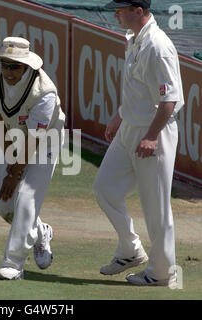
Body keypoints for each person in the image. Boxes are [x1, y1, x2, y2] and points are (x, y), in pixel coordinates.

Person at [93, 0, 184, 286]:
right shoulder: (134, 40)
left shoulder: (158, 46)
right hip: (129, 128)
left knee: (156, 208)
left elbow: (170, 100)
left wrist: (151, 136)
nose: (115, 13)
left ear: (139, 10)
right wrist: (119, 116)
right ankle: (131, 250)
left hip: (153, 132)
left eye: (120, 8)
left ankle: (161, 273)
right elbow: (138, 88)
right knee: (105, 187)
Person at [0, 37, 65, 280]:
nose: (8, 71)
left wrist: (15, 174)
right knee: (4, 206)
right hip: (11, 136)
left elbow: (36, 137)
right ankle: (40, 232)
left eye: (15, 66)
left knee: (26, 197)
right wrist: (10, 163)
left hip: (45, 139)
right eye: (5, 64)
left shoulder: (45, 92)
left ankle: (13, 263)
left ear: (27, 66)